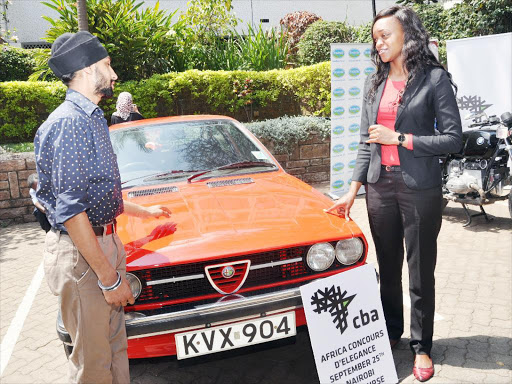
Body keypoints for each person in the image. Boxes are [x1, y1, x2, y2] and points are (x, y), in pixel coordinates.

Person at [327, 5, 462, 382]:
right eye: (375, 37)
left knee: (420, 271)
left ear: (407, 35)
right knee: (387, 269)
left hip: (419, 187)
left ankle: (422, 347)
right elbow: (364, 142)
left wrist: (400, 138)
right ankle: (390, 333)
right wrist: (351, 191)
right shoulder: (374, 82)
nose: (379, 42)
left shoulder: (433, 80)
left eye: (385, 34)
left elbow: (453, 138)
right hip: (379, 186)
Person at [34, 31, 171, 384]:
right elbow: (71, 211)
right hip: (85, 257)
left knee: (114, 350)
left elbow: (95, 193)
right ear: (84, 69)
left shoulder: (92, 117)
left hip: (102, 246)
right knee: (94, 365)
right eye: (107, 65)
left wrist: (145, 212)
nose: (113, 75)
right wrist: (110, 281)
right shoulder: (70, 122)